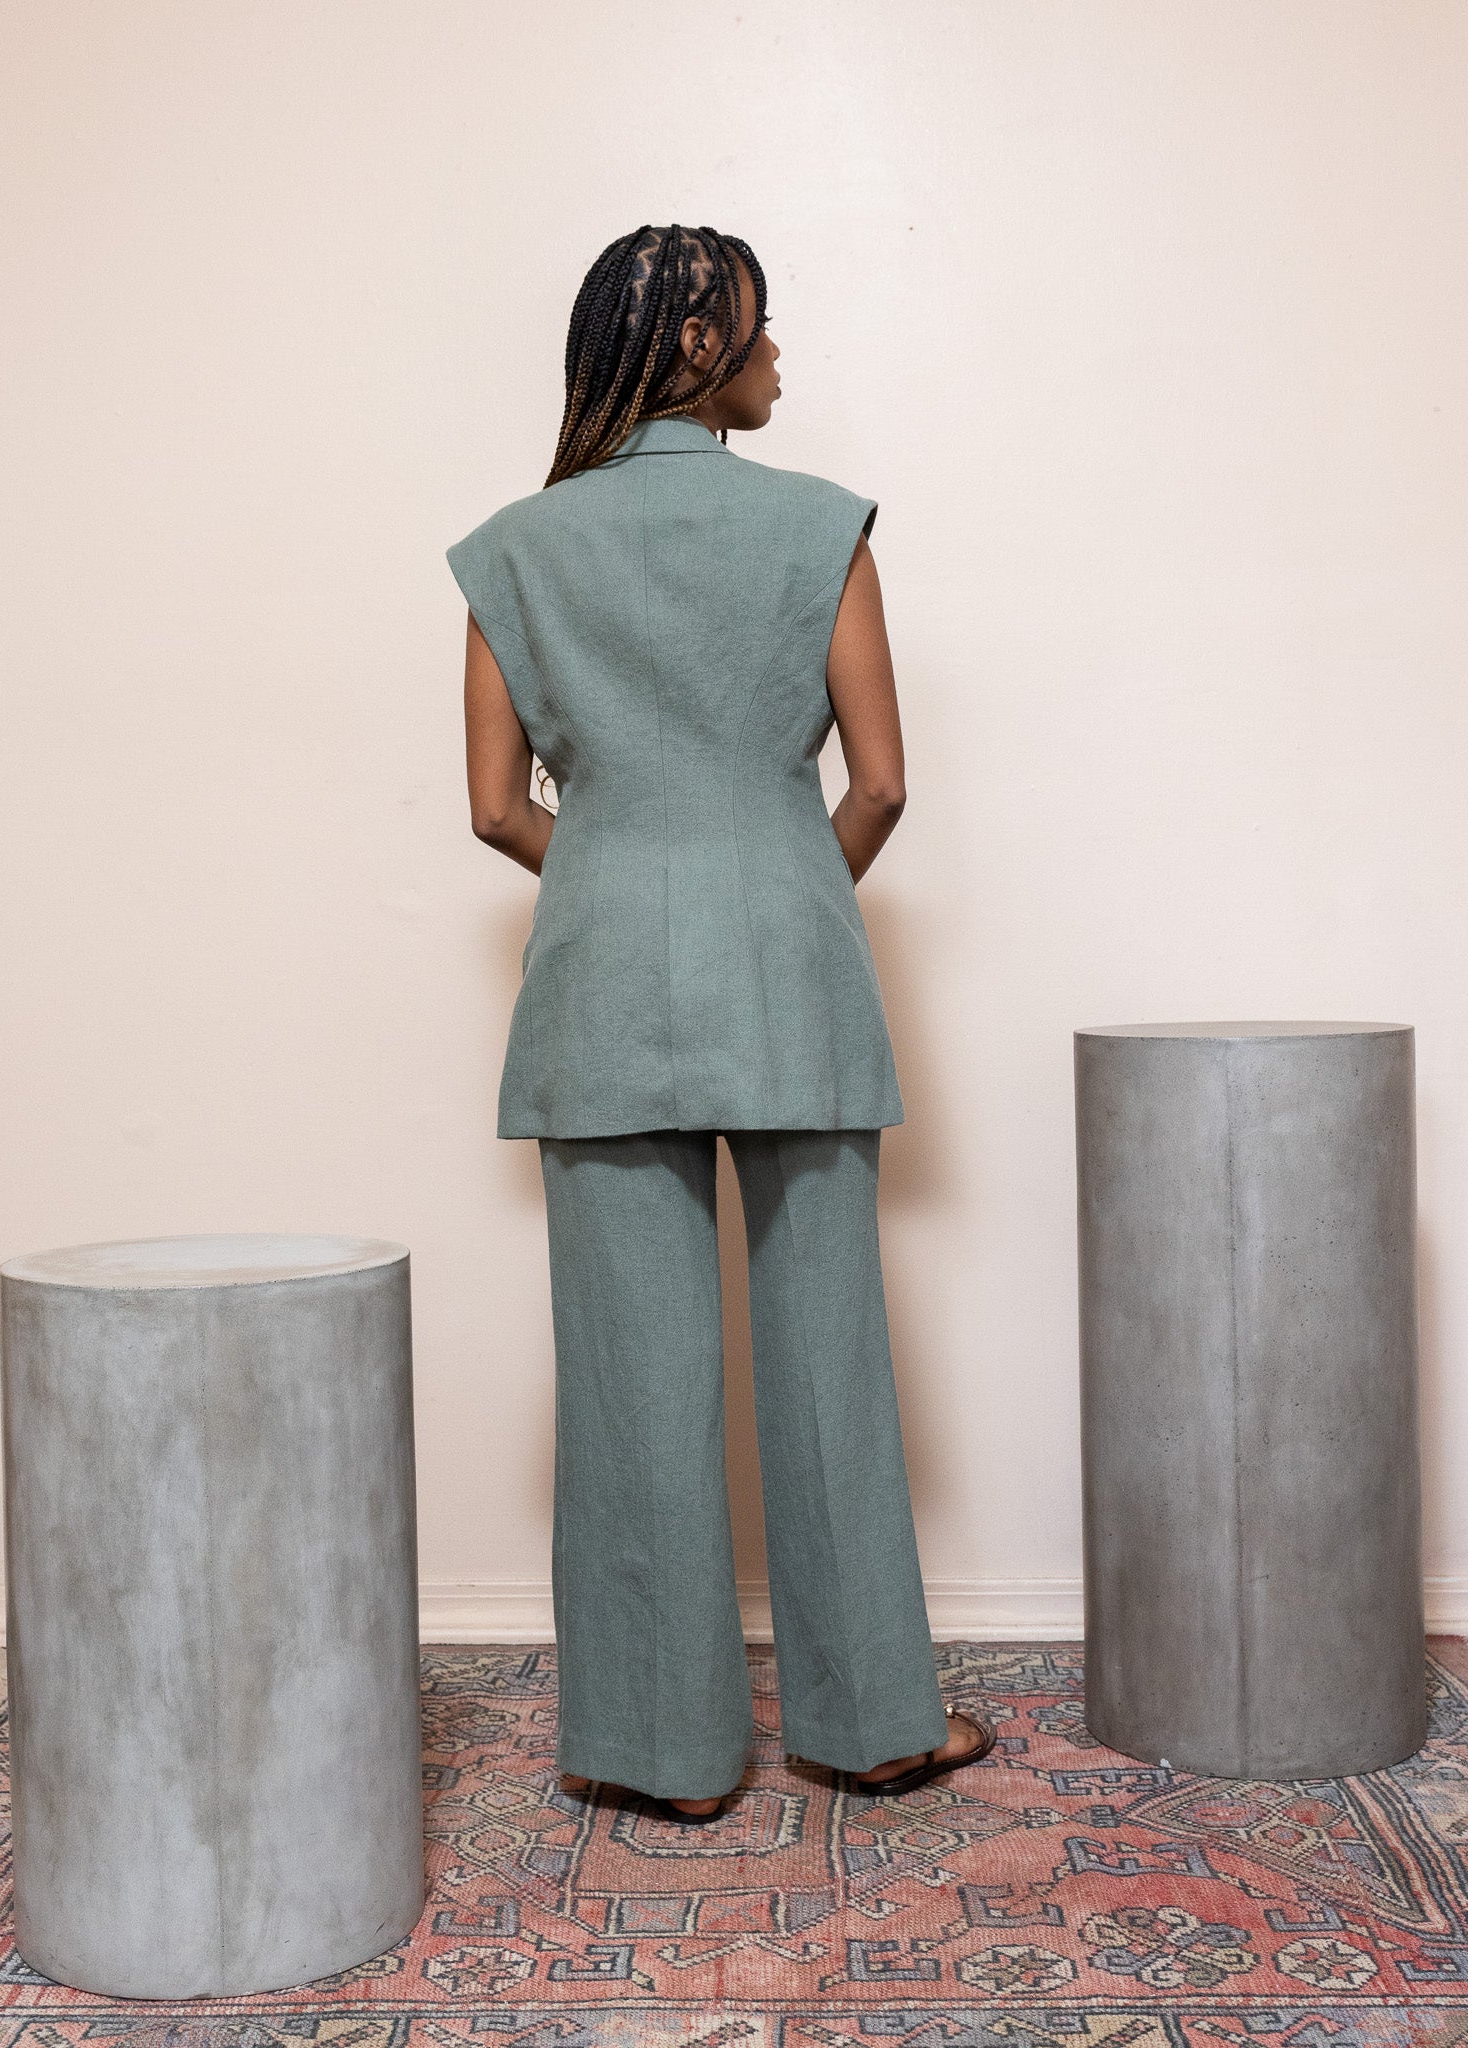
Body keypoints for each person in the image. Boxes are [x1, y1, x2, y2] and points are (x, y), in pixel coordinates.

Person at [447, 223, 992, 1823]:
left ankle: (656, 1752)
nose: (776, 357)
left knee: (631, 1378)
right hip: (792, 966)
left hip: (599, 979)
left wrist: (620, 876)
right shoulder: (822, 527)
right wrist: (777, 895)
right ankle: (872, 1725)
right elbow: (879, 783)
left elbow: (495, 809)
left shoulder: (508, 552)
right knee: (829, 1359)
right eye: (758, 329)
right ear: (697, 347)